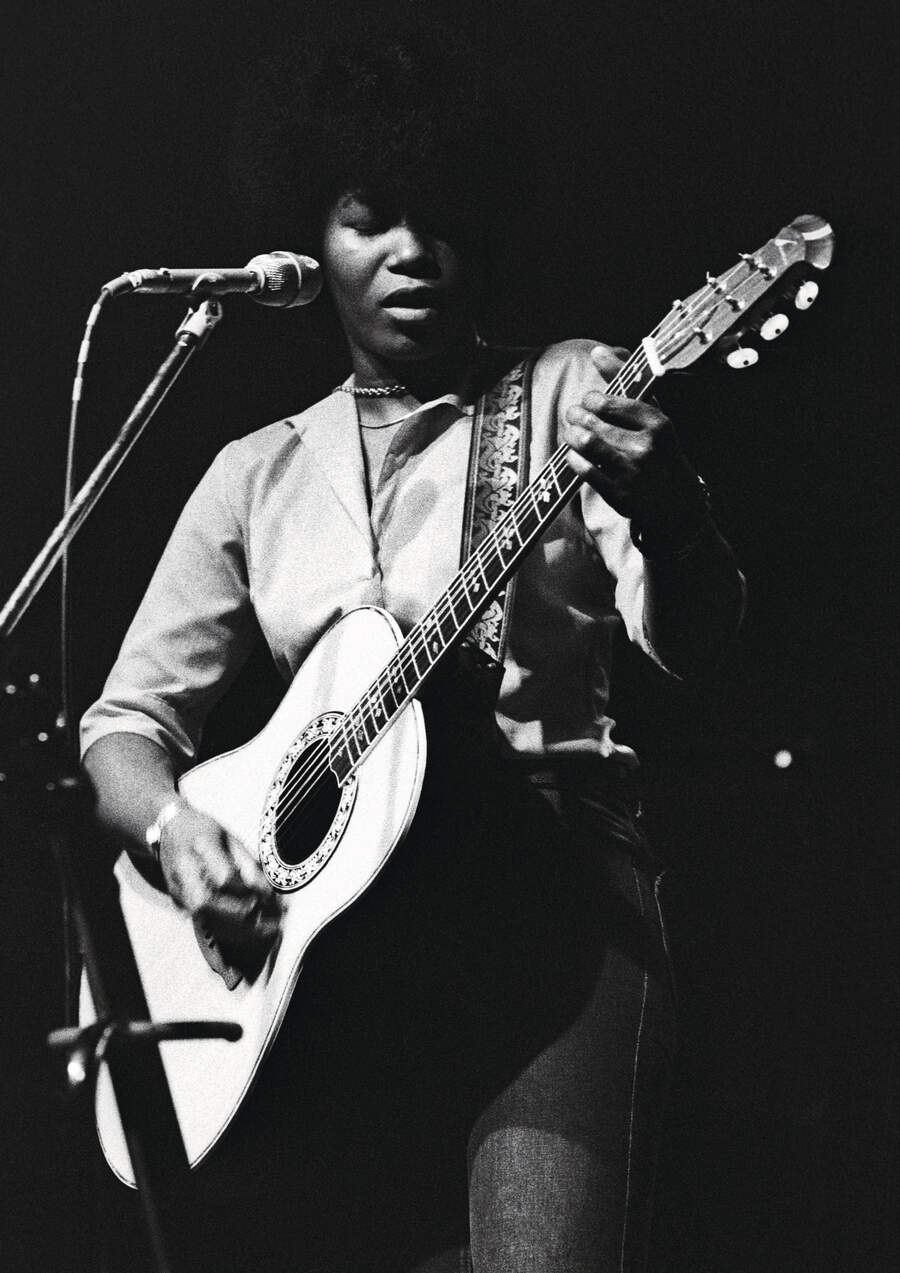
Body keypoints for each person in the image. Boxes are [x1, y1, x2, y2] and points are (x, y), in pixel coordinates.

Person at [80, 29, 745, 1273]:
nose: (408, 252)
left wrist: (675, 513)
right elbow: (122, 727)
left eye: (437, 217)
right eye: (367, 219)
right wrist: (177, 833)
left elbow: (692, 643)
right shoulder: (254, 477)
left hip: (554, 913)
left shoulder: (569, 395)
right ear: (309, 243)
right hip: (348, 974)